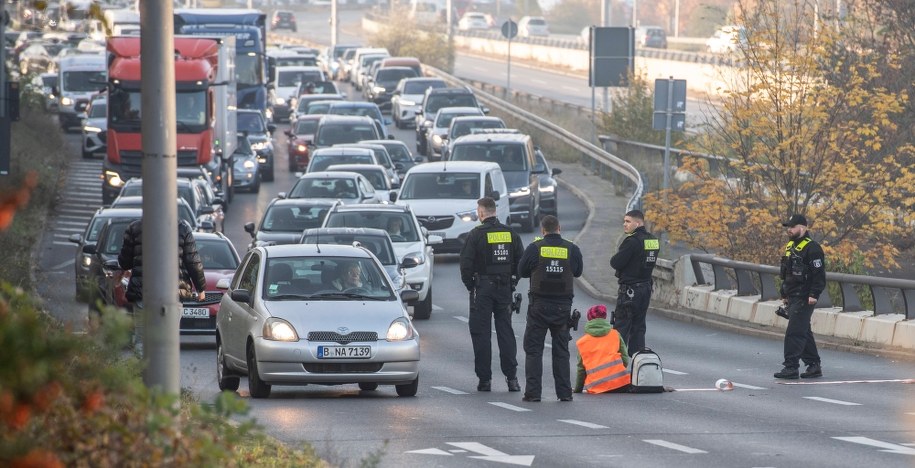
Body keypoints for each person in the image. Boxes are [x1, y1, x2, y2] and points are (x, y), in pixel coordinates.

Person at [459, 197, 525, 392]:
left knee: (481, 333)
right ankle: (512, 379)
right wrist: (513, 281)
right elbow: (521, 262)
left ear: (481, 213)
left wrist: (471, 286)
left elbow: (466, 264)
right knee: (505, 332)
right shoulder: (510, 233)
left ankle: (485, 380)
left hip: (483, 289)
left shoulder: (476, 234)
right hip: (504, 288)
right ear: (495, 211)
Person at [518, 215, 583, 402]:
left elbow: (522, 272)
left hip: (539, 307)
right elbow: (578, 272)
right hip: (562, 308)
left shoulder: (535, 248)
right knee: (561, 351)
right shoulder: (572, 248)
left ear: (542, 230)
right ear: (559, 228)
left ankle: (533, 393)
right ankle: (564, 393)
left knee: (533, 350)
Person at [774, 214, 825, 379]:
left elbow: (819, 275)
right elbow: (787, 273)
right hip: (793, 295)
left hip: (805, 296)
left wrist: (814, 294)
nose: (789, 230)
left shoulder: (813, 248)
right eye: (788, 227)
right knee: (803, 330)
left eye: (792, 227)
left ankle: (791, 367)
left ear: (802, 227)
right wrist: (785, 294)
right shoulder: (791, 246)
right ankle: (813, 365)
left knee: (794, 332)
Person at [609, 209, 659, 355]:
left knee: (621, 328)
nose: (624, 224)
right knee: (639, 328)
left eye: (628, 221)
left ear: (638, 223)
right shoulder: (653, 241)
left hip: (630, 291)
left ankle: (618, 367)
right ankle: (638, 366)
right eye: (624, 221)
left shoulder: (632, 241)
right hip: (645, 289)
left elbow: (615, 262)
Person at [573, 304, 631, 394]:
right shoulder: (615, 334)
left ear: (589, 319)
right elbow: (625, 359)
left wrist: (578, 389)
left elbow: (581, 369)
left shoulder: (582, 342)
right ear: (604, 318)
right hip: (620, 384)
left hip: (597, 387)